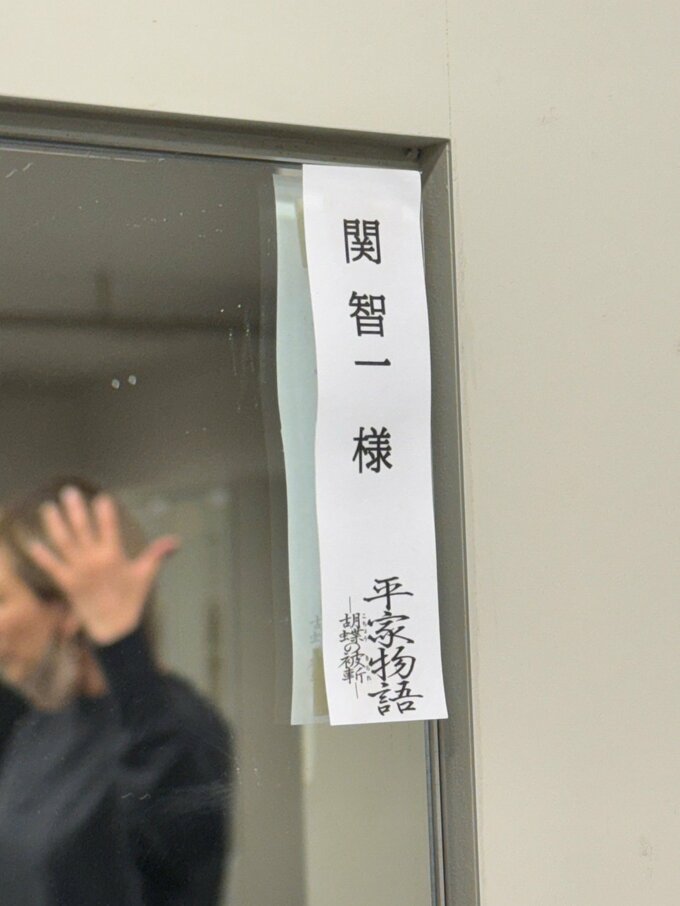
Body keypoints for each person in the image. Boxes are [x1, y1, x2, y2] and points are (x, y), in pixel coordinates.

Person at [0, 477, 232, 905]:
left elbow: (178, 861)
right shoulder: (41, 727)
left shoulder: (173, 726)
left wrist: (122, 645)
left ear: (68, 608)